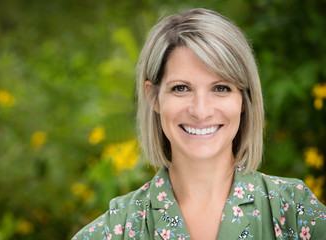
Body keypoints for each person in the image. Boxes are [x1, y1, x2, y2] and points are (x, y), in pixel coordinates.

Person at [72, 8, 326, 240]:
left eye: (221, 88)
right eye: (181, 88)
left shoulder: (294, 210)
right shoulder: (115, 231)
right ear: (153, 97)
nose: (201, 111)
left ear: (244, 100)